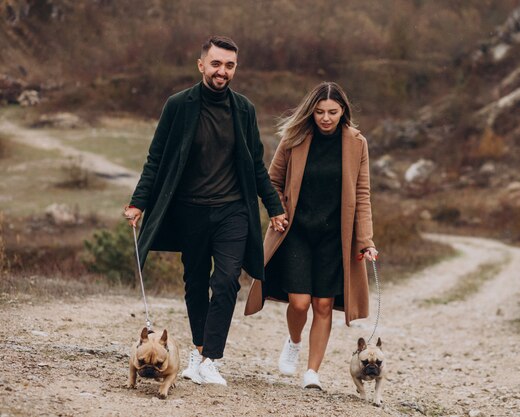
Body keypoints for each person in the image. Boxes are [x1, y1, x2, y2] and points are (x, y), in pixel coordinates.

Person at [123, 35, 287, 387]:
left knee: (226, 280)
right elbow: (156, 158)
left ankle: (211, 358)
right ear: (201, 65)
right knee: (195, 282)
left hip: (232, 211)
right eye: (216, 64)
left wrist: (275, 207)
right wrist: (139, 202)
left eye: (229, 65)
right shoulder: (178, 105)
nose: (222, 71)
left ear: (235, 68)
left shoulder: (243, 109)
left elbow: (256, 165)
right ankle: (198, 350)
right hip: (190, 212)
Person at [244, 81, 378, 390]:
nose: (326, 118)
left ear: (343, 111)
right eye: (319, 112)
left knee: (323, 305)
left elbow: (362, 194)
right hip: (297, 233)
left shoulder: (357, 143)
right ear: (311, 111)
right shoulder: (295, 138)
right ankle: (293, 341)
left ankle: (312, 372)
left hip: (335, 239)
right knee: (301, 303)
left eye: (332, 112)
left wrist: (366, 241)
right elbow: (273, 180)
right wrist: (277, 212)